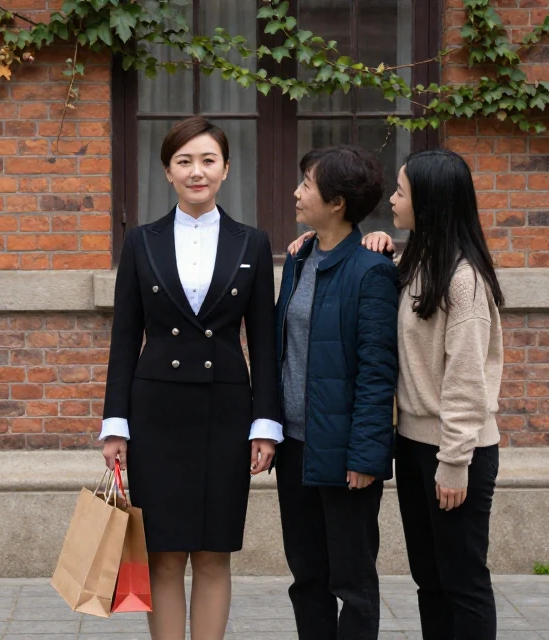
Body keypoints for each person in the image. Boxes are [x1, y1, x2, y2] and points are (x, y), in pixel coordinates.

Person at [289, 148, 505, 640]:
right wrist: (371, 244)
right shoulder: (415, 264)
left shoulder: (463, 278)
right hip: (411, 445)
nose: (393, 198)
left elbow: (467, 379)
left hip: (456, 452)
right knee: (429, 580)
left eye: (403, 191)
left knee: (464, 581)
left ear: (429, 201)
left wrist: (454, 461)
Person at [101, 116, 283, 640]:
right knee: (162, 553)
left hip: (225, 413)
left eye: (207, 160)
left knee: (213, 552)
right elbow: (123, 338)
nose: (196, 171)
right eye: (185, 161)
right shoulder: (141, 242)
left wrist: (264, 425)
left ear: (225, 169)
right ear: (167, 171)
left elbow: (264, 342)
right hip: (155, 412)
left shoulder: (252, 243)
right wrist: (116, 424)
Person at [274, 145, 399, 640]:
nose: (297, 192)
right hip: (296, 448)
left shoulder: (372, 271)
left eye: (307, 183)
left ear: (337, 203)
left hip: (345, 454)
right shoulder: (301, 257)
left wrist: (367, 457)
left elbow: (377, 371)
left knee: (353, 582)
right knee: (307, 580)